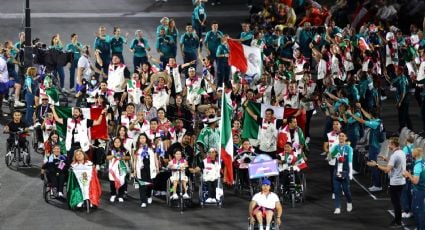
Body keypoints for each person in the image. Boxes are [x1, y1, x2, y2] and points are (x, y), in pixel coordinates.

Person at [367, 137, 406, 228]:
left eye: (390, 144)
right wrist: (386, 159)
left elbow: (387, 170)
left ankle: (398, 222)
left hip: (395, 183)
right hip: (401, 181)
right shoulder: (401, 152)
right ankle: (397, 220)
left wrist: (376, 165)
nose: (388, 145)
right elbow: (396, 164)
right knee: (397, 202)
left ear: (393, 145)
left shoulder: (394, 155)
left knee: (396, 203)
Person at [329, 132, 353, 214]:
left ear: (346, 138)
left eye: (343, 136)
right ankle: (337, 207)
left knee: (346, 190)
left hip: (345, 171)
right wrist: (333, 155)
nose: (341, 137)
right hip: (336, 171)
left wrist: (351, 173)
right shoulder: (336, 147)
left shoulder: (349, 149)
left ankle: (349, 202)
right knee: (336, 190)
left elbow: (350, 161)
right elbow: (330, 158)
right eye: (340, 136)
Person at [133, 133, 159, 208]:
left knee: (150, 184)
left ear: (146, 139)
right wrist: (134, 170)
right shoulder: (137, 148)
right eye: (140, 138)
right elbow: (135, 160)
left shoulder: (152, 147)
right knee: (142, 185)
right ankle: (143, 201)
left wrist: (157, 168)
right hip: (141, 169)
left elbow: (155, 158)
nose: (142, 139)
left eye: (143, 138)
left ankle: (149, 196)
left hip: (150, 168)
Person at [403, 148, 425, 230]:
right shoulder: (423, 162)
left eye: (412, 153)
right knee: (416, 208)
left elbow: (415, 181)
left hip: (420, 190)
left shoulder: (417, 165)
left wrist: (408, 175)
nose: (411, 154)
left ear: (415, 155)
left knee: (418, 210)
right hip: (422, 189)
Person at [106, 137, 130, 203]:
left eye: (118, 142)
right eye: (115, 142)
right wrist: (113, 155)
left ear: (121, 143)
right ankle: (113, 194)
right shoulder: (111, 150)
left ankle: (120, 195)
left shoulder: (125, 150)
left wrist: (122, 157)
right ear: (113, 143)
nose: (117, 143)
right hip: (113, 169)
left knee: (122, 181)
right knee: (112, 182)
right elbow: (107, 157)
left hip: (121, 167)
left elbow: (128, 157)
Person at [323, 120, 341, 199]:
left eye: (337, 124)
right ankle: (334, 192)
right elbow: (325, 145)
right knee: (333, 176)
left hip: (341, 158)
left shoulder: (343, 135)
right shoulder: (329, 135)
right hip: (332, 158)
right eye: (334, 124)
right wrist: (327, 151)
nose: (335, 125)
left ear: (340, 125)